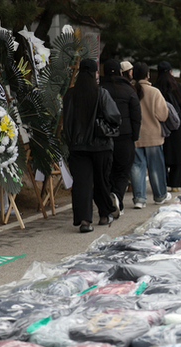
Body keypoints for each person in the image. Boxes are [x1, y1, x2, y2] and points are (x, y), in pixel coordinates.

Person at [62, 58, 122, 233]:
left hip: (77, 148)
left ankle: (84, 221)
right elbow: (115, 117)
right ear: (95, 73)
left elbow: (66, 123)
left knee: (81, 184)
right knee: (102, 181)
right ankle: (104, 214)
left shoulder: (70, 95)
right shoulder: (101, 93)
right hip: (101, 146)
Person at [100, 59, 142, 216]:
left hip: (104, 136)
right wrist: (134, 135)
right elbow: (136, 116)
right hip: (125, 136)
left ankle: (110, 198)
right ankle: (117, 196)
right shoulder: (129, 90)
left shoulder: (100, 89)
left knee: (107, 171)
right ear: (120, 72)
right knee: (123, 171)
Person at [130, 62, 170, 209]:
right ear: (147, 75)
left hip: (136, 136)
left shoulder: (131, 90)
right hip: (153, 135)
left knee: (136, 167)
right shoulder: (154, 92)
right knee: (156, 166)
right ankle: (159, 195)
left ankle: (139, 198)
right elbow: (163, 115)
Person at [155, 61, 181, 192]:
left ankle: (162, 182)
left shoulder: (155, 88)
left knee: (162, 153)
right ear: (170, 72)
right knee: (177, 153)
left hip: (160, 123)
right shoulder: (177, 87)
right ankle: (175, 184)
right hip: (177, 123)